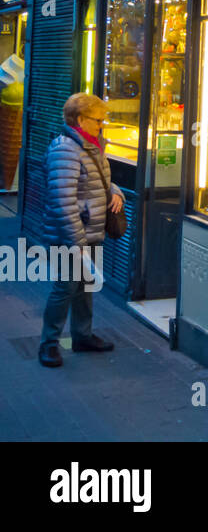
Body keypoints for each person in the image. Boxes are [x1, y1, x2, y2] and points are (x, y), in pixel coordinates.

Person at [38, 93, 123, 368]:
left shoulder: (92, 145)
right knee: (65, 287)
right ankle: (49, 344)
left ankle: (82, 336)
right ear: (80, 119)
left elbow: (101, 178)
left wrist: (116, 192)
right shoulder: (66, 149)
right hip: (72, 236)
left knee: (86, 285)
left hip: (91, 231)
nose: (102, 124)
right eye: (98, 120)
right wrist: (78, 242)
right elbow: (63, 201)